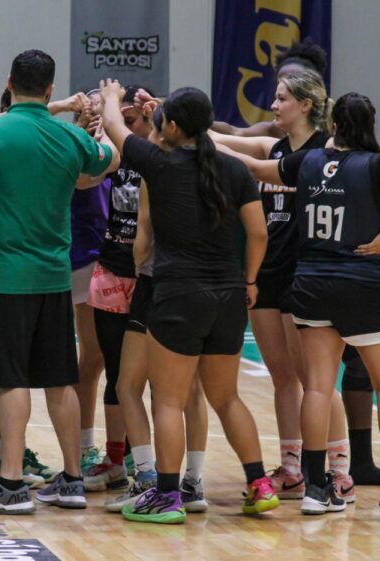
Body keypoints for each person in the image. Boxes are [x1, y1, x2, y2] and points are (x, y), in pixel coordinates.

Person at [245, 92, 380, 519]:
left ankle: (316, 488)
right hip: (363, 282)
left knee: (316, 386)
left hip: (311, 283)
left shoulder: (309, 161)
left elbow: (259, 169)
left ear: (333, 125)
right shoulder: (379, 164)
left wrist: (206, 144)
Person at [0, 49, 119, 514]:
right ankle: (71, 480)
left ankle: (10, 484)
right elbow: (108, 159)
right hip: (53, 279)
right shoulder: (67, 137)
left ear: (9, 83)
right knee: (60, 379)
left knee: (11, 381)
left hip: (5, 278)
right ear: (49, 89)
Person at [212, 39, 380, 486]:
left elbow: (234, 154)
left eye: (281, 98)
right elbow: (224, 140)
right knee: (282, 377)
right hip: (267, 273)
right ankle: (292, 464)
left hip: (305, 272)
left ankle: (338, 468)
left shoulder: (324, 156)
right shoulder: (274, 148)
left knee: (315, 379)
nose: (272, 104)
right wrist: (179, 121)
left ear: (306, 105)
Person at [100, 81, 277, 524]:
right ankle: (259, 484)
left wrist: (109, 96)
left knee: (169, 400)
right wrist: (250, 281)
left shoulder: (158, 164)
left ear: (172, 126)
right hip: (229, 295)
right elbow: (258, 233)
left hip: (178, 294)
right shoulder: (234, 169)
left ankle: (165, 496)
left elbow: (113, 126)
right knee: (226, 397)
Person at [105, 108, 210, 515]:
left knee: (129, 386)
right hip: (206, 286)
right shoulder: (215, 168)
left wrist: (136, 270)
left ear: (166, 129)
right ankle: (194, 482)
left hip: (157, 283)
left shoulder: (157, 171)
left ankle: (149, 478)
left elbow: (142, 239)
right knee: (191, 392)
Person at [83, 85, 154, 491]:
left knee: (159, 379)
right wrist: (94, 136)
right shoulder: (116, 155)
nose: (122, 129)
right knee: (115, 371)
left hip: (151, 276)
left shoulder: (163, 158)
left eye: (131, 122)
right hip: (112, 270)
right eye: (120, 122)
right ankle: (115, 459)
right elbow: (80, 180)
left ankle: (158, 466)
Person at [69, 89, 111, 474]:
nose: (97, 114)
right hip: (73, 259)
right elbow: (84, 180)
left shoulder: (117, 149)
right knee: (88, 359)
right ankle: (81, 448)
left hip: (102, 260)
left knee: (97, 358)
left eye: (104, 108)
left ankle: (90, 447)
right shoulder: (72, 147)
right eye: (90, 108)